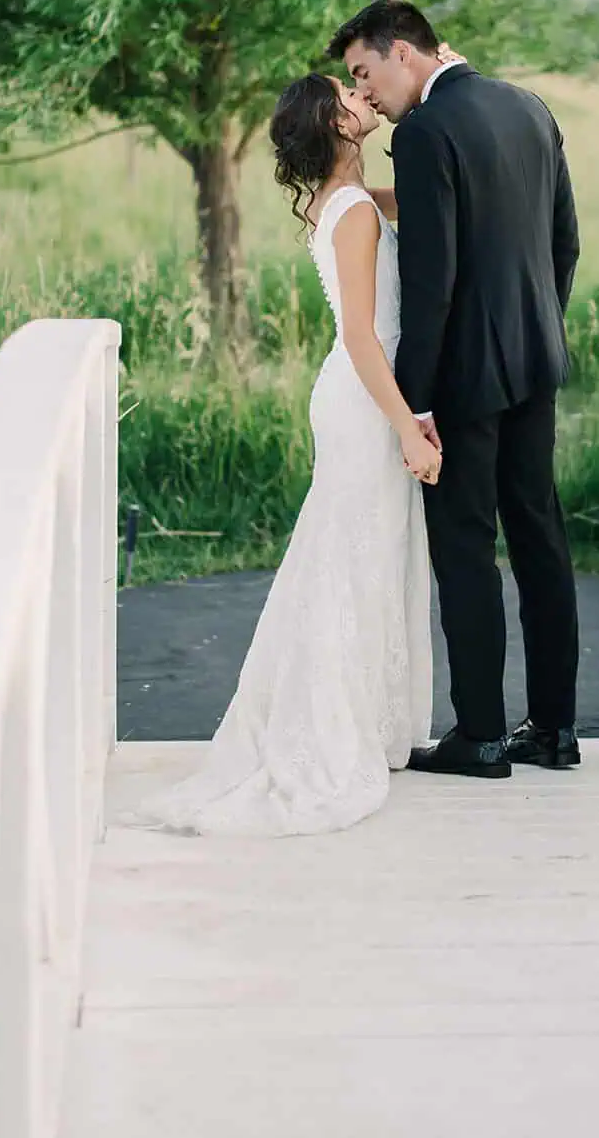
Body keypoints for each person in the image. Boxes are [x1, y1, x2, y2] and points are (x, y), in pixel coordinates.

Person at [120, 72, 435, 836]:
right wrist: (404, 425)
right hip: (365, 399)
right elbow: (362, 335)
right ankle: (327, 731)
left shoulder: (351, 201)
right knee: (348, 562)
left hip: (360, 393)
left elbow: (425, 204)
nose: (362, 96)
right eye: (348, 94)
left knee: (357, 557)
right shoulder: (353, 210)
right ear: (332, 122)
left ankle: (362, 720)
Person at [328, 0, 581, 779]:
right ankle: (554, 730)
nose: (365, 94)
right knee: (539, 540)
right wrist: (535, 329)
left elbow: (431, 281)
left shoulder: (426, 132)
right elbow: (563, 240)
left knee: (466, 550)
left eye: (365, 74)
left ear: (403, 52)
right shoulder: (527, 107)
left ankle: (480, 736)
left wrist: (418, 403)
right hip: (535, 362)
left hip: (464, 382)